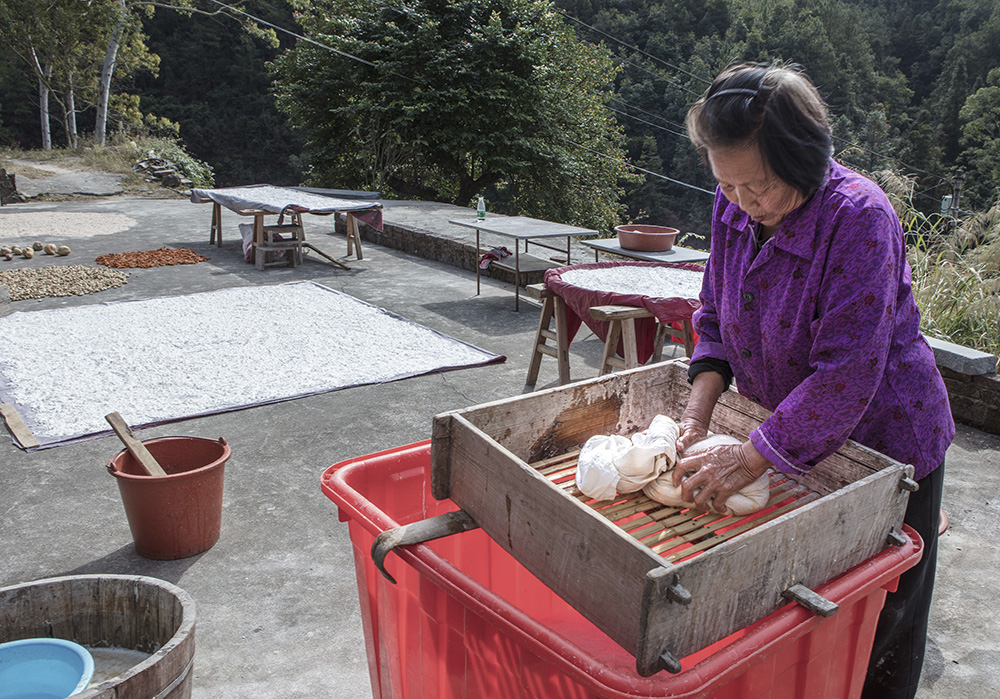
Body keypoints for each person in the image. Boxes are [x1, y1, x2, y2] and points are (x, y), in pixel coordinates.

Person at [672, 61, 955, 699]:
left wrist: (750, 455)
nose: (743, 204)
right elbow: (715, 316)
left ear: (806, 160)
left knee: (880, 616)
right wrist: (695, 418)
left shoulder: (859, 220)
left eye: (761, 187)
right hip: (793, 434)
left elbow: (848, 374)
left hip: (889, 440)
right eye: (729, 186)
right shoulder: (734, 200)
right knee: (806, 616)